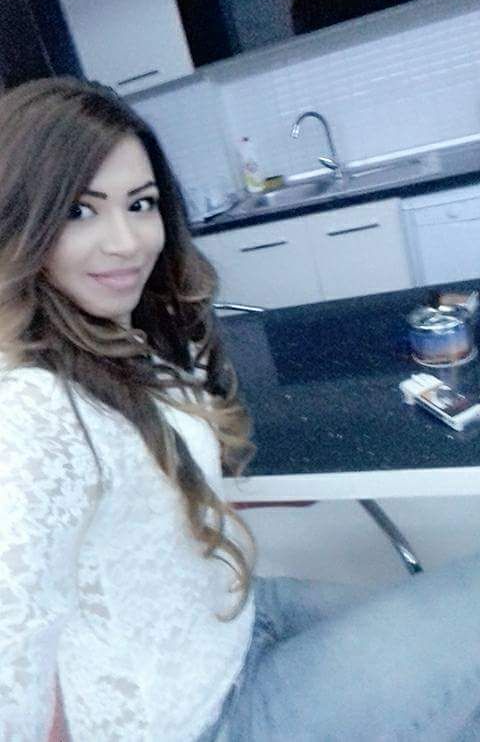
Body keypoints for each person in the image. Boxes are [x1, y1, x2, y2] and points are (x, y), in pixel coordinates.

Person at [1, 76, 480, 742]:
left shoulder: (108, 339)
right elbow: (10, 657)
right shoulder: (31, 408)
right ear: (20, 222)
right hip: (196, 719)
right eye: (81, 211)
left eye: (140, 204)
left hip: (236, 618)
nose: (128, 242)